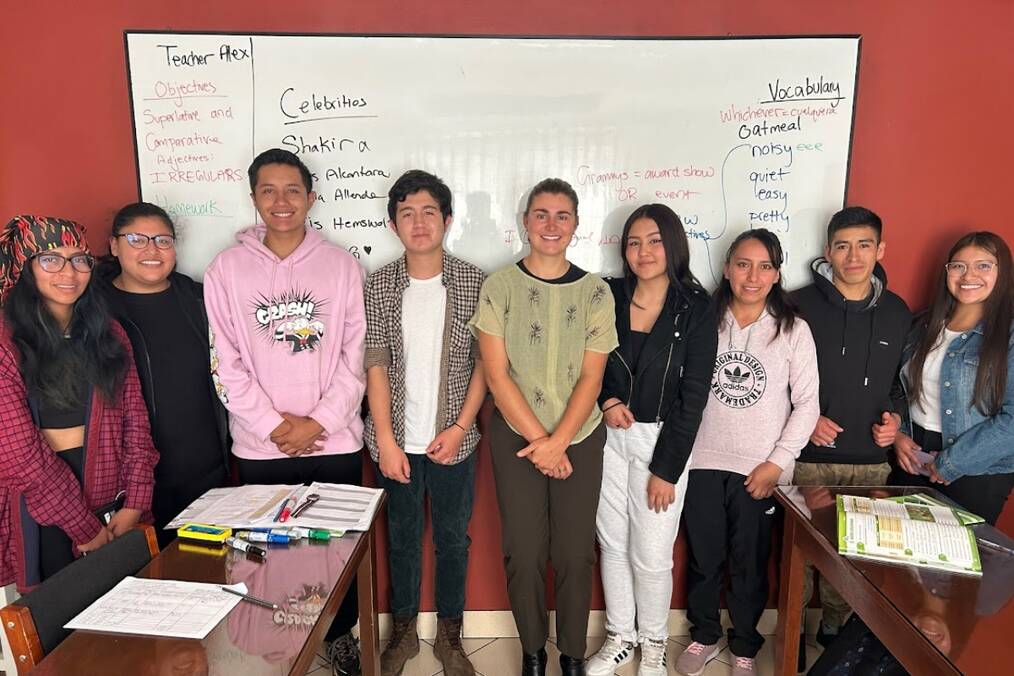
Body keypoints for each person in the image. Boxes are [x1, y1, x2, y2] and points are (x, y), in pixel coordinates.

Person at [203, 149, 366, 675]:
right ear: (253, 198)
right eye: (268, 190)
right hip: (260, 446)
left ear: (310, 198)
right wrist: (276, 428)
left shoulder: (342, 266)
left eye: (292, 190)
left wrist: (316, 423)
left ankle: (340, 637)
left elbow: (355, 356)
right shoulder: (225, 271)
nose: (281, 201)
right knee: (267, 554)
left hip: (335, 442)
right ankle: (277, 642)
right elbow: (223, 363)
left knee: (337, 551)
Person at [469, 178, 617, 676]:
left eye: (562, 216)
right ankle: (533, 650)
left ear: (576, 225)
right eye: (541, 214)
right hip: (516, 437)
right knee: (524, 552)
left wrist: (559, 441)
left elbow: (593, 376)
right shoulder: (501, 286)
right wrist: (541, 442)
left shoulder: (596, 291)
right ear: (525, 221)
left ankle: (572, 654)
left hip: (581, 435)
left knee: (575, 554)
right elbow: (496, 373)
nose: (551, 225)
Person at [674, 229, 819, 676]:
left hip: (760, 469)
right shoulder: (702, 320)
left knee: (750, 562)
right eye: (742, 264)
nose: (752, 276)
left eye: (764, 266)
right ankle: (703, 634)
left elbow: (808, 403)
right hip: (700, 463)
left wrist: (776, 462)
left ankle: (744, 645)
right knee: (704, 558)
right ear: (726, 268)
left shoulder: (793, 329)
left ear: (777, 274)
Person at [585, 204, 716, 676]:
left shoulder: (697, 307)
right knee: (613, 542)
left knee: (652, 552)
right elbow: (588, 361)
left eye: (655, 240)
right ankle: (620, 636)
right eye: (634, 242)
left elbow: (694, 395)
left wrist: (666, 469)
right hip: (606, 436)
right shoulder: (607, 294)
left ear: (674, 244)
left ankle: (654, 642)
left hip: (662, 442)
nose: (644, 251)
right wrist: (606, 401)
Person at [365, 170, 487, 676]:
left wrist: (460, 426)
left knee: (454, 539)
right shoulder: (379, 284)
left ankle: (451, 636)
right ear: (394, 224)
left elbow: (485, 363)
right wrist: (388, 442)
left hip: (454, 441)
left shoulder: (474, 281)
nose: (418, 223)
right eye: (407, 213)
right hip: (395, 442)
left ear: (447, 220)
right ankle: (403, 632)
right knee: (402, 538)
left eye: (428, 212)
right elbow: (375, 362)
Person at [0, 215, 158, 591]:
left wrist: (135, 501)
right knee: (59, 628)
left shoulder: (109, 333)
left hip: (112, 499)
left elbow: (136, 422)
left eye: (79, 259)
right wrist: (83, 526)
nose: (69, 272)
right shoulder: (7, 342)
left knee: (127, 616)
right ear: (24, 267)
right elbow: (18, 454)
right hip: (42, 511)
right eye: (51, 259)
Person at [792, 206, 911, 649]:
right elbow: (774, 378)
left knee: (854, 565)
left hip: (871, 465)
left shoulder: (899, 313)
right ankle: (793, 639)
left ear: (880, 249)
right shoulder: (796, 304)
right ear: (828, 251)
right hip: (808, 462)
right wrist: (804, 420)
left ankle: (834, 642)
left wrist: (896, 422)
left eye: (864, 245)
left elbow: (904, 385)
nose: (853, 256)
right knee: (799, 565)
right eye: (843, 246)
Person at [97, 202, 229, 548]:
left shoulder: (199, 298)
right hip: (132, 485)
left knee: (212, 573)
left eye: (162, 240)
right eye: (137, 239)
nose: (152, 250)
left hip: (207, 473)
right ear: (114, 245)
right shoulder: (92, 308)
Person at [890, 231, 1014, 524]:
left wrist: (952, 462)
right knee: (900, 557)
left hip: (976, 471)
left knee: (954, 565)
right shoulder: (922, 325)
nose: (968, 275)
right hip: (911, 460)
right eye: (958, 265)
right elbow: (898, 387)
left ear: (1003, 272)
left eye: (983, 265)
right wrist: (898, 434)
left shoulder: (1008, 336)